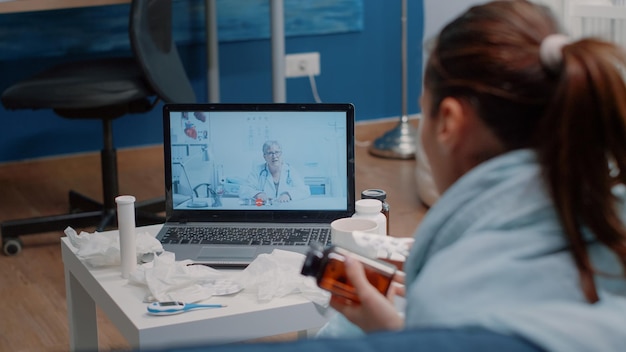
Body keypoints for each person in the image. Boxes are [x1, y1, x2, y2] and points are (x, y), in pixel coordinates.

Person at [315, 0, 626, 350]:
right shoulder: (610, 220)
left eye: (424, 111)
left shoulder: (447, 297)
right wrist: (400, 334)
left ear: (448, 122)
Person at [238, 140, 311, 203]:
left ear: (281, 154)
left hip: (285, 210)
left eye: (277, 152)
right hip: (264, 210)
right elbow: (243, 189)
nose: (274, 156)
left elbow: (304, 191)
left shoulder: (290, 170)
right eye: (270, 153)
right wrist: (258, 194)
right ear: (264, 156)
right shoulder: (258, 170)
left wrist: (288, 195)